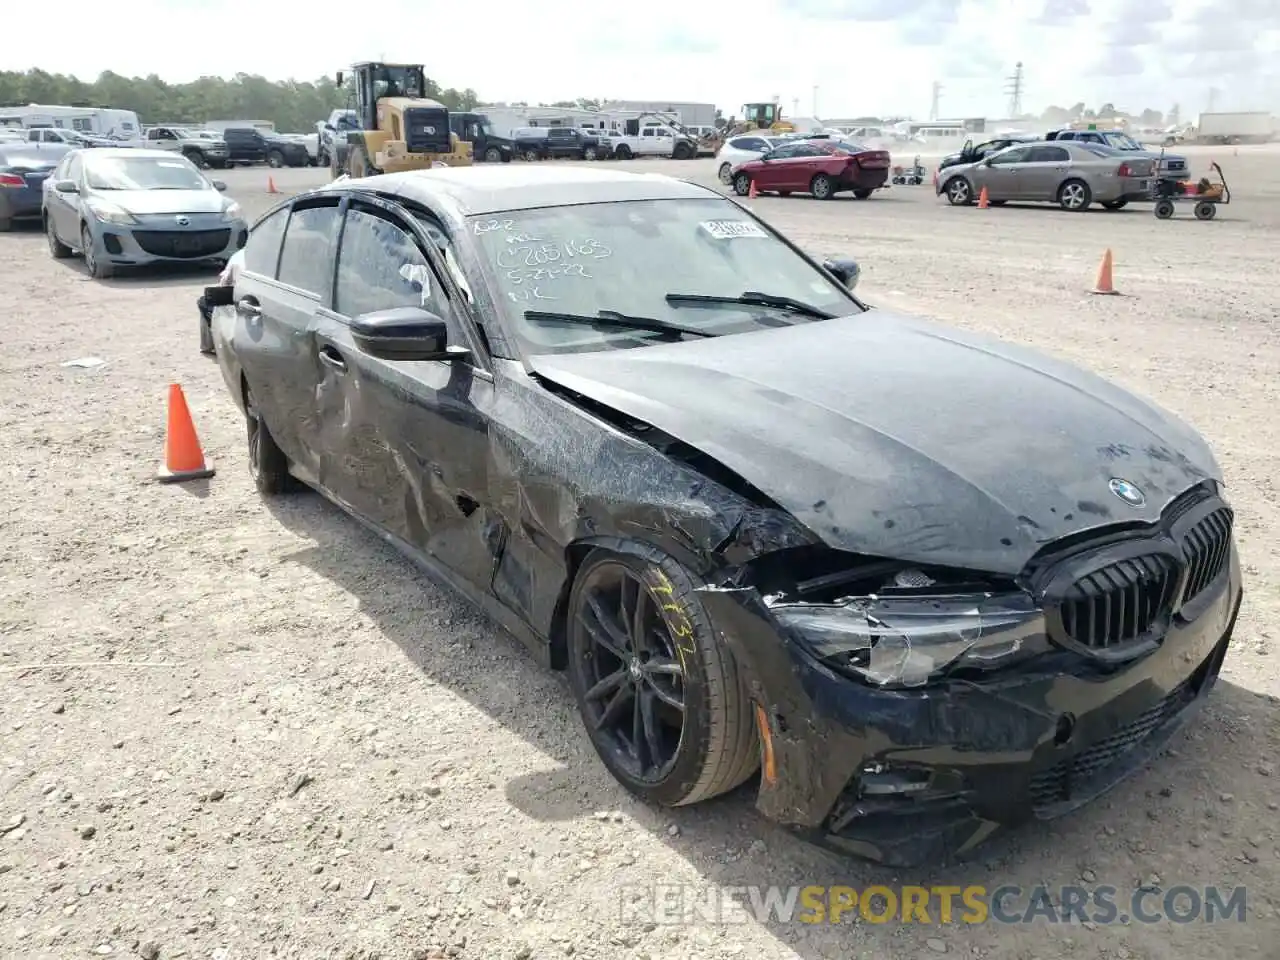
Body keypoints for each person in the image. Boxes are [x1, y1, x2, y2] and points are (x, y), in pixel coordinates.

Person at [197, 248, 245, 355]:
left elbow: (224, 283)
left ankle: (207, 346)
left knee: (204, 301)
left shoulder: (238, 256)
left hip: (241, 308)